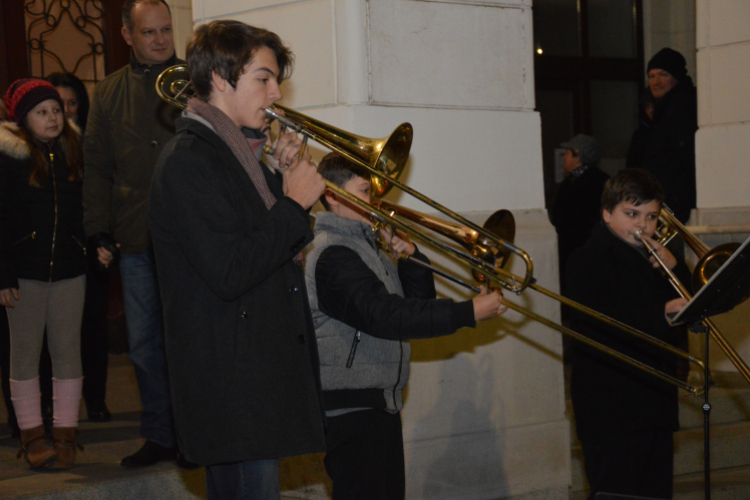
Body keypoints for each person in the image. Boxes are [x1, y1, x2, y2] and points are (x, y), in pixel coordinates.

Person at [149, 20, 328, 499]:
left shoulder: (238, 155)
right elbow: (230, 270)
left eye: (277, 81)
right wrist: (292, 205)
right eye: (263, 79)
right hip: (231, 383)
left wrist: (280, 179)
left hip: (250, 375)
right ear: (222, 79)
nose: (276, 94)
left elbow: (264, 247)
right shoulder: (189, 158)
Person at [305, 153, 507, 500]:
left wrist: (410, 256)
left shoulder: (368, 250)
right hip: (351, 410)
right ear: (334, 196)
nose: (376, 201)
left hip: (381, 403)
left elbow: (419, 306)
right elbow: (387, 317)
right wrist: (468, 312)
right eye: (366, 191)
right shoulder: (333, 253)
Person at [83, 0, 182, 466]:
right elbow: (97, 168)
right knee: (143, 347)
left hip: (191, 239)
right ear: (128, 35)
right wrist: (97, 230)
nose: (160, 39)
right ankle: (160, 435)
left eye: (166, 30)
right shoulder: (106, 93)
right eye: (149, 32)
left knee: (189, 342)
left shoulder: (198, 84)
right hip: (136, 238)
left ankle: (194, 435)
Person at [566, 169, 689, 499]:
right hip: (611, 408)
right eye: (631, 214)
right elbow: (598, 325)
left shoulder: (654, 260)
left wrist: (675, 266)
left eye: (650, 217)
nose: (642, 226)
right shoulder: (587, 259)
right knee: (618, 491)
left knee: (656, 490)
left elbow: (693, 304)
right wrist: (660, 314)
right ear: (607, 214)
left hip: (654, 400)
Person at [0, 79, 88, 469]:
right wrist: (3, 274)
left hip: (70, 269)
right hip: (24, 273)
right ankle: (33, 436)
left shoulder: (74, 152)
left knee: (68, 351)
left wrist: (93, 243)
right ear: (22, 120)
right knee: (25, 355)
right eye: (42, 112)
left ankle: (66, 434)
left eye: (56, 110)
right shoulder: (9, 159)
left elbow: (87, 207)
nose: (53, 118)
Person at [46, 72, 111, 423]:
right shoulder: (30, 150)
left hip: (89, 247)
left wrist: (103, 238)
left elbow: (101, 195)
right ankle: (46, 409)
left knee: (93, 328)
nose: (64, 112)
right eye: (57, 105)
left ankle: (96, 399)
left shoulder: (92, 145)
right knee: (49, 336)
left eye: (71, 104)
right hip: (48, 255)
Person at [631, 48, 697, 224]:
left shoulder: (681, 107)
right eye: (651, 76)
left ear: (677, 77)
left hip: (677, 205)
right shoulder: (666, 109)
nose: (656, 82)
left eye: (663, 75)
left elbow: (686, 156)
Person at [549, 134, 609, 293]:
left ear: (579, 158)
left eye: (568, 153)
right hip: (573, 252)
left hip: (587, 253)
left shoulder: (599, 184)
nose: (564, 157)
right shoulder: (569, 183)